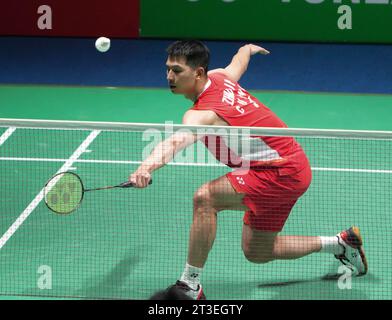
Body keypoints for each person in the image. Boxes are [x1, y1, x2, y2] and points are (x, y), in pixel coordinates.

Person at [129, 40, 368, 300]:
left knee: (205, 199)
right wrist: (247, 49)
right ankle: (341, 243)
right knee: (258, 252)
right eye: (168, 69)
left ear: (198, 73)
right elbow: (238, 63)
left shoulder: (202, 113)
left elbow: (175, 141)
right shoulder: (220, 77)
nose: (169, 77)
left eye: (177, 71)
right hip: (287, 165)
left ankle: (190, 284)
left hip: (279, 172)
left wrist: (146, 166)